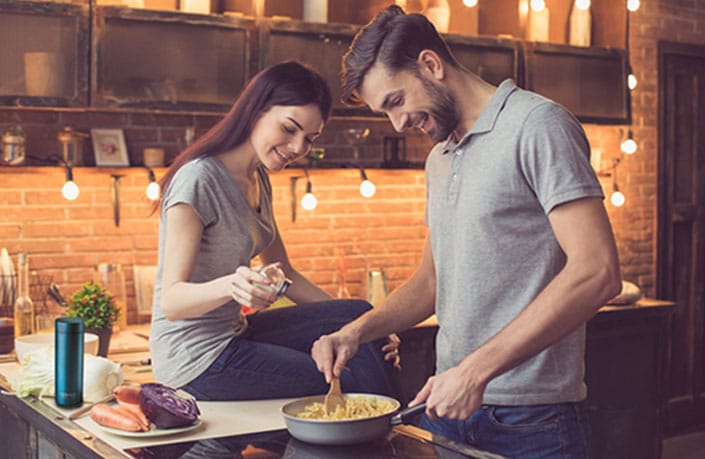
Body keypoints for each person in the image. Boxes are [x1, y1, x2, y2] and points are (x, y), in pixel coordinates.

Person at [311, 6, 621, 458]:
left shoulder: (537, 126)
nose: (397, 124)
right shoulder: (440, 158)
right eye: (386, 112)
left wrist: (474, 373)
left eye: (396, 101)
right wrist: (355, 332)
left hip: (532, 419)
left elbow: (598, 272)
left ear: (431, 65)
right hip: (450, 410)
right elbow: (430, 284)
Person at [149, 61, 400, 402]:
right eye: (289, 129)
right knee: (349, 378)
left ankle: (388, 428)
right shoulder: (199, 179)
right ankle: (387, 434)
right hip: (197, 360)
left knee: (358, 313)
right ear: (255, 112)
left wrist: (367, 329)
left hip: (236, 334)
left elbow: (286, 274)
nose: (298, 147)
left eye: (309, 139)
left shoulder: (258, 178)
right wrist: (233, 284)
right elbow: (172, 301)